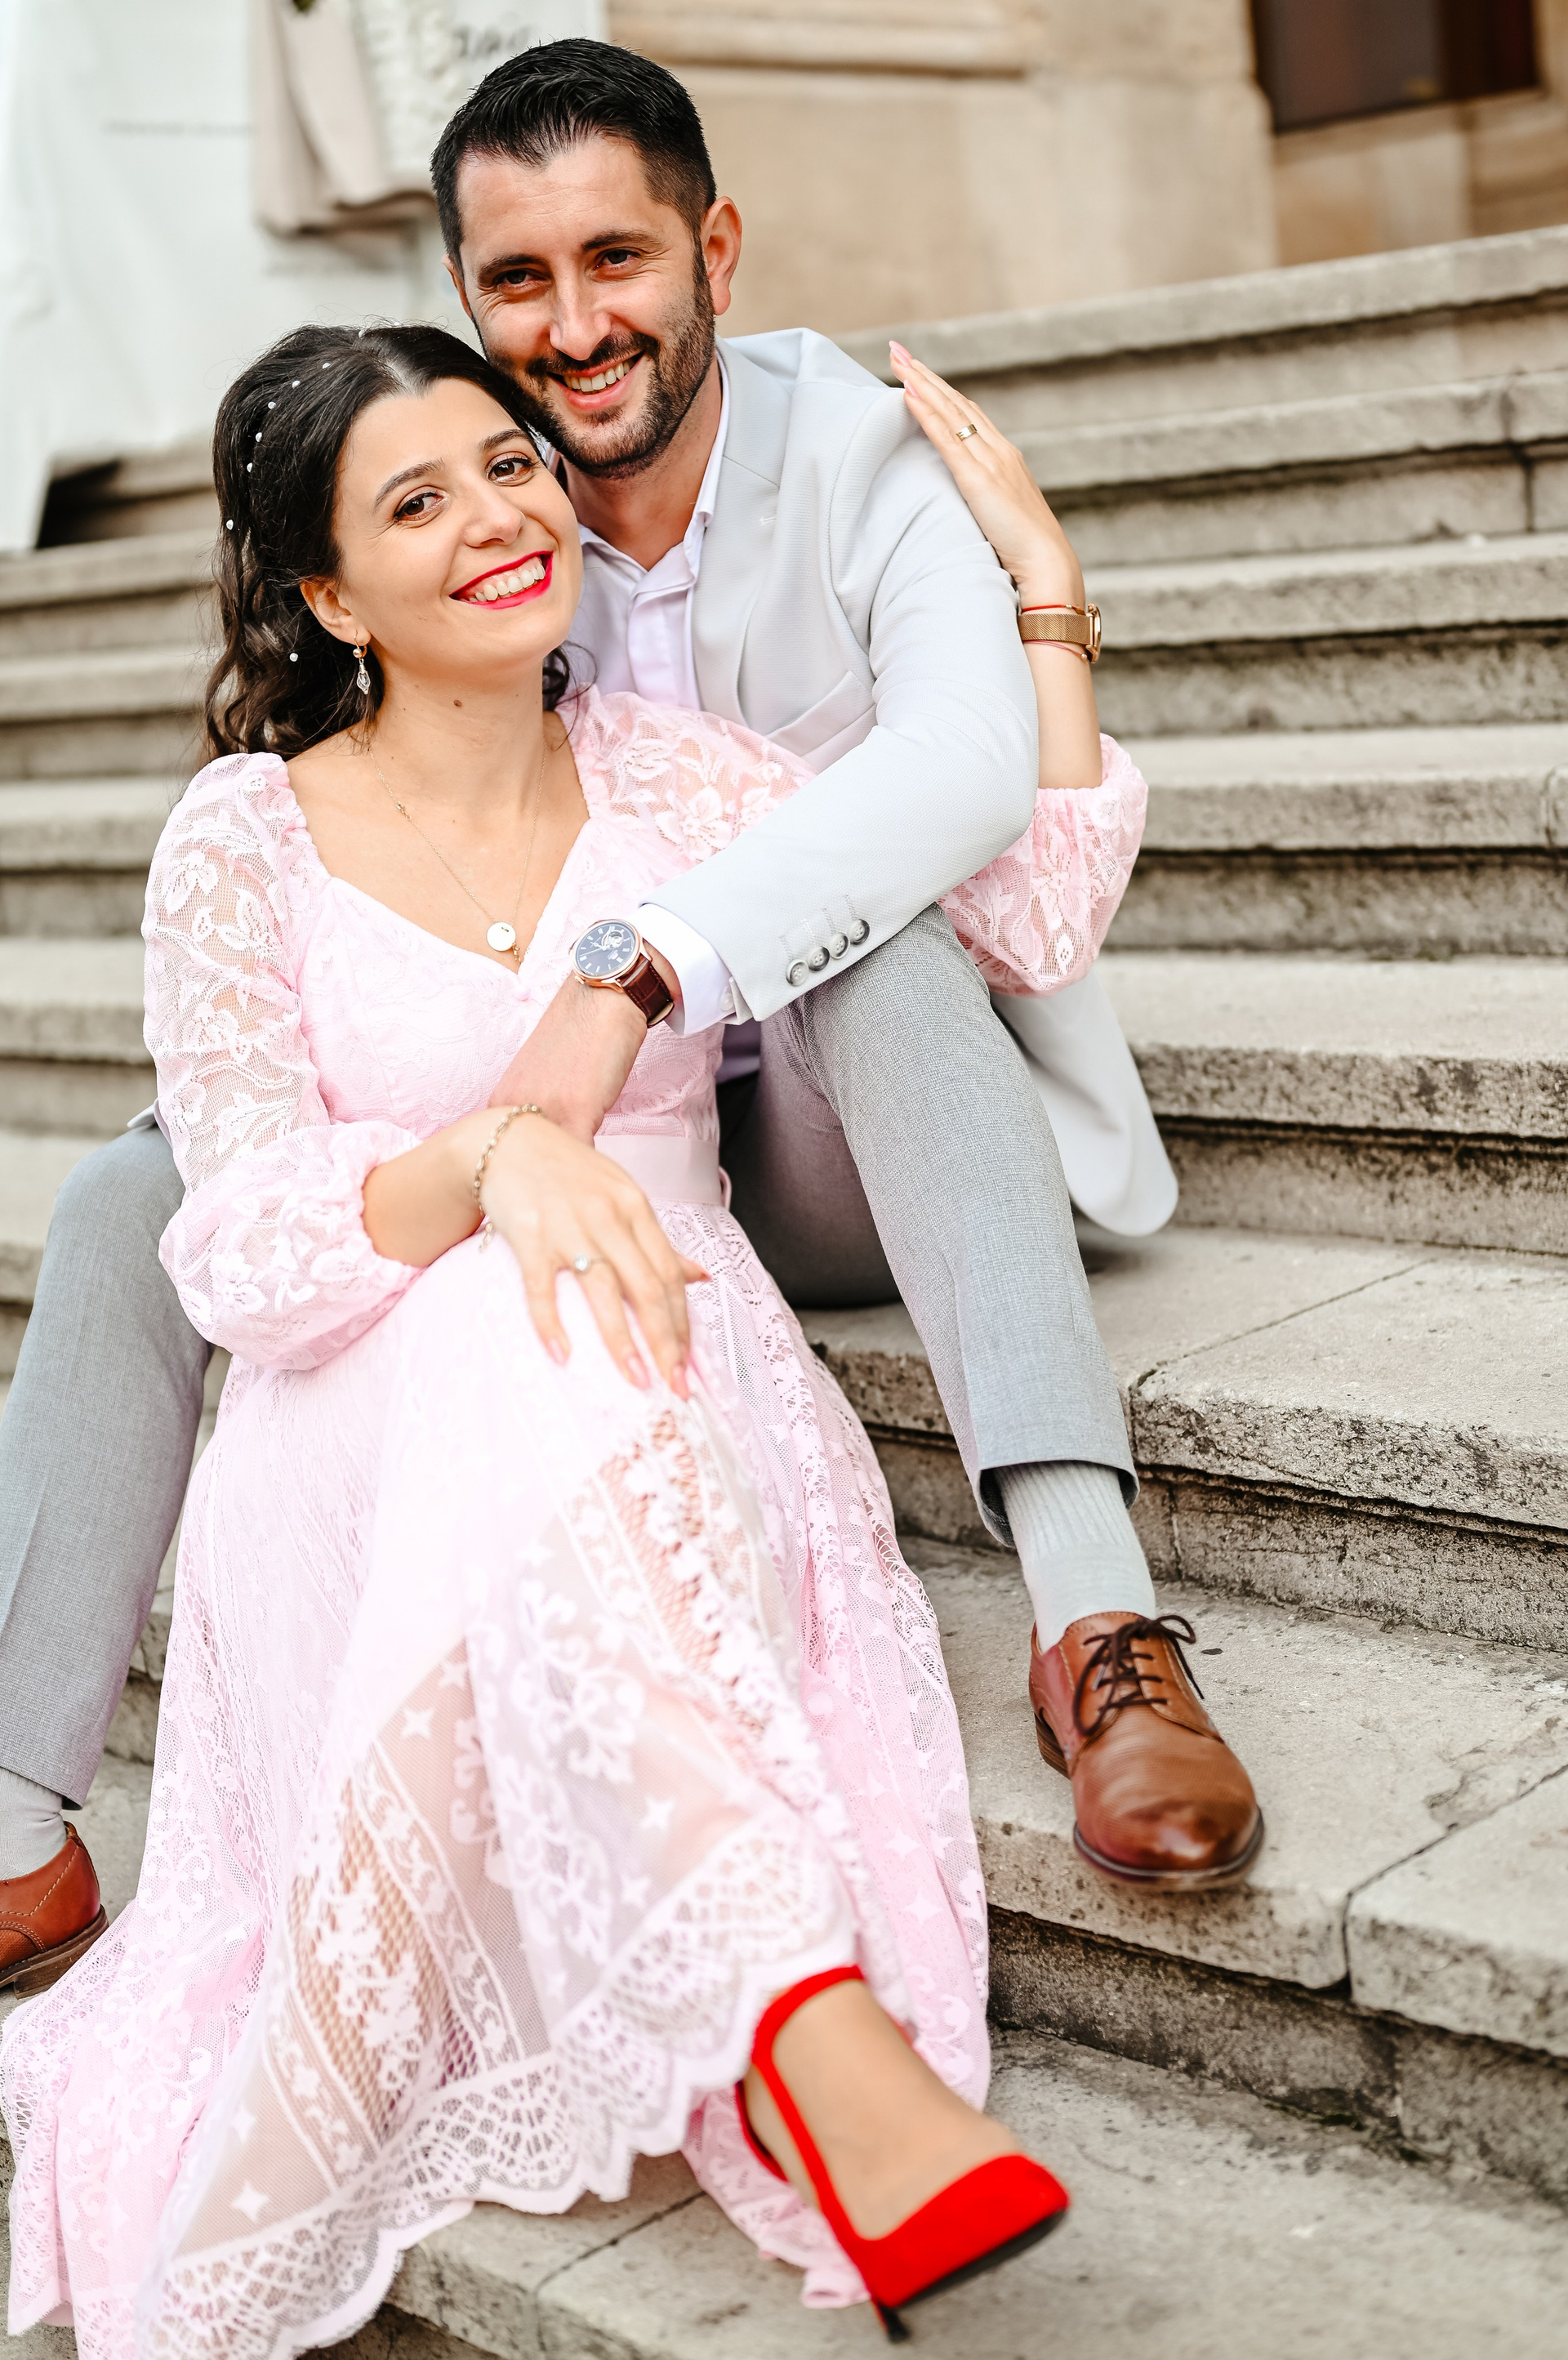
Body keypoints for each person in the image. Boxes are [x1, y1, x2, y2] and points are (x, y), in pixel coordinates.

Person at [0, 41, 1258, 2006]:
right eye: (519, 280)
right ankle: (14, 1805)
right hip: (558, 1130)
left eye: (618, 259)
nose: (575, 327)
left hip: (830, 1137)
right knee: (132, 1195)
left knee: (886, 944)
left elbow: (1000, 858)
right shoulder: (492, 526)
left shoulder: (862, 467)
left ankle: (1100, 1628)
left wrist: (1047, 605)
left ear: (714, 252)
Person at [0, 319, 1159, 2351]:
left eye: (509, 465)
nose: (500, 517)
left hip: (662, 1358)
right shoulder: (245, 838)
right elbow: (245, 1242)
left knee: (548, 1342)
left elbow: (1028, 924)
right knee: (486, 1321)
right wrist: (492, 1162)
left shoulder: (685, 778)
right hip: (359, 1417)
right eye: (417, 501)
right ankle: (808, 2026)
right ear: (327, 595)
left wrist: (1040, 594)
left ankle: (785, 2004)